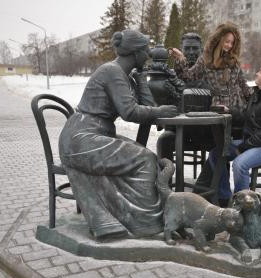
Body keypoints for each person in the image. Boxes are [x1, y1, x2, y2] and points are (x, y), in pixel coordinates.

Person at [58, 29, 178, 238]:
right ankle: (144, 222)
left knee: (147, 155)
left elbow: (146, 108)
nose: (149, 55)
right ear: (136, 52)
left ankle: (133, 215)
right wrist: (159, 111)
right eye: (146, 51)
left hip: (95, 135)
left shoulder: (125, 76)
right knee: (144, 160)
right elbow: (130, 112)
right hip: (81, 138)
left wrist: (141, 79)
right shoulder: (111, 72)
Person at [169, 22, 253, 204]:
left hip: (238, 111)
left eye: (232, 43)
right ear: (219, 39)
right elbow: (187, 76)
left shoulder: (233, 61)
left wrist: (258, 96)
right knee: (220, 151)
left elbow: (243, 86)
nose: (229, 46)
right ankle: (222, 196)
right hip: (219, 112)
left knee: (224, 152)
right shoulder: (205, 60)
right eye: (227, 41)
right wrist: (181, 59)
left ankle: (234, 195)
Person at [209, 61, 261, 206]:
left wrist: (244, 147)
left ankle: (242, 207)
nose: (257, 73)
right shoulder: (260, 95)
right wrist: (229, 111)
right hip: (253, 142)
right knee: (216, 154)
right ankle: (224, 197)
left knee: (240, 164)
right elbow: (247, 117)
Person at [156, 32, 211, 162]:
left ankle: (212, 182)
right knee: (164, 140)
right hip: (179, 132)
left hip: (205, 131)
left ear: (201, 50)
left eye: (195, 48)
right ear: (181, 50)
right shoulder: (172, 75)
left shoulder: (210, 73)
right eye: (187, 48)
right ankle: (166, 180)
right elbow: (165, 104)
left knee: (222, 145)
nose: (191, 52)